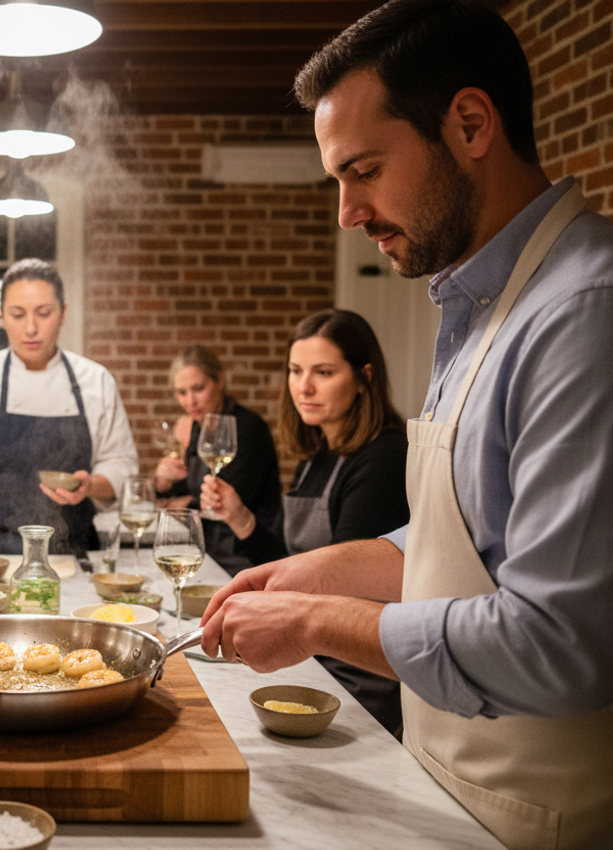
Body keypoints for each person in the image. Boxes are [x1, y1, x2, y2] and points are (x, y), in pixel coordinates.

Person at [198, 2, 613, 847]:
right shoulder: (484, 301)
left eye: (365, 170)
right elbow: (468, 539)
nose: (348, 210)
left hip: (538, 819)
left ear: (468, 124)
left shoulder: (583, 312)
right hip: (448, 785)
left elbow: (562, 642)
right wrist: (319, 569)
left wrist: (317, 620)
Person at [201, 310, 408, 735]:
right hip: (314, 658)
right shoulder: (318, 454)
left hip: (355, 682)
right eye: (295, 371)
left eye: (323, 372)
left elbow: (346, 588)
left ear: (364, 376)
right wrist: (241, 519)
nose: (304, 387)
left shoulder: (383, 457)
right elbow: (291, 563)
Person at [0, 258, 138, 555]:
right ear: (2, 315)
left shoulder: (96, 381)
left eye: (43, 313)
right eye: (18, 314)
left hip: (72, 554)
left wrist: (92, 485)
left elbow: (121, 465)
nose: (31, 328)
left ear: (63, 313)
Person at [153, 345, 281, 576]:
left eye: (198, 389)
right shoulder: (198, 426)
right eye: (181, 393)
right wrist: (162, 483)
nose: (190, 401)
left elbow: (221, 501)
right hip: (207, 551)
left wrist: (170, 506)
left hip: (246, 557)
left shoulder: (248, 428)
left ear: (220, 380)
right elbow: (188, 486)